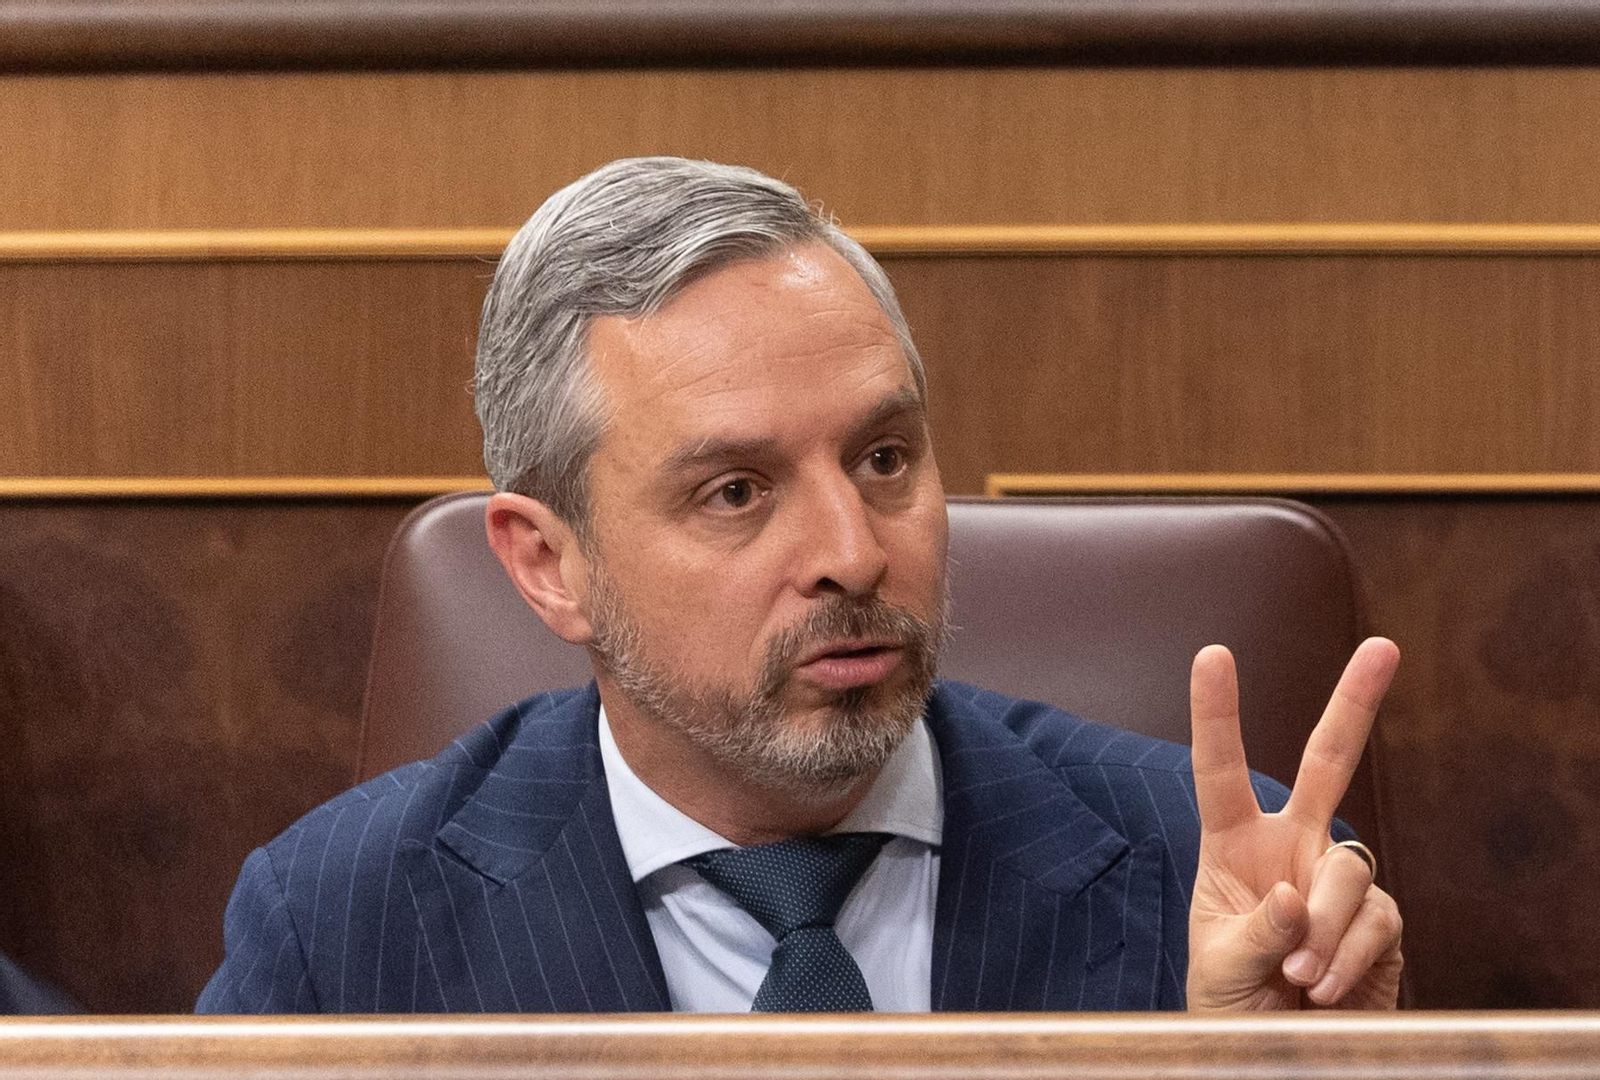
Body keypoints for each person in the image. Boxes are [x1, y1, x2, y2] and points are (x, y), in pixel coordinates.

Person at [197, 157, 1402, 1015]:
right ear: (549, 565)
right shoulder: (339, 924)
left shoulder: (1216, 876)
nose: (855, 550)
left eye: (884, 459)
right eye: (735, 492)